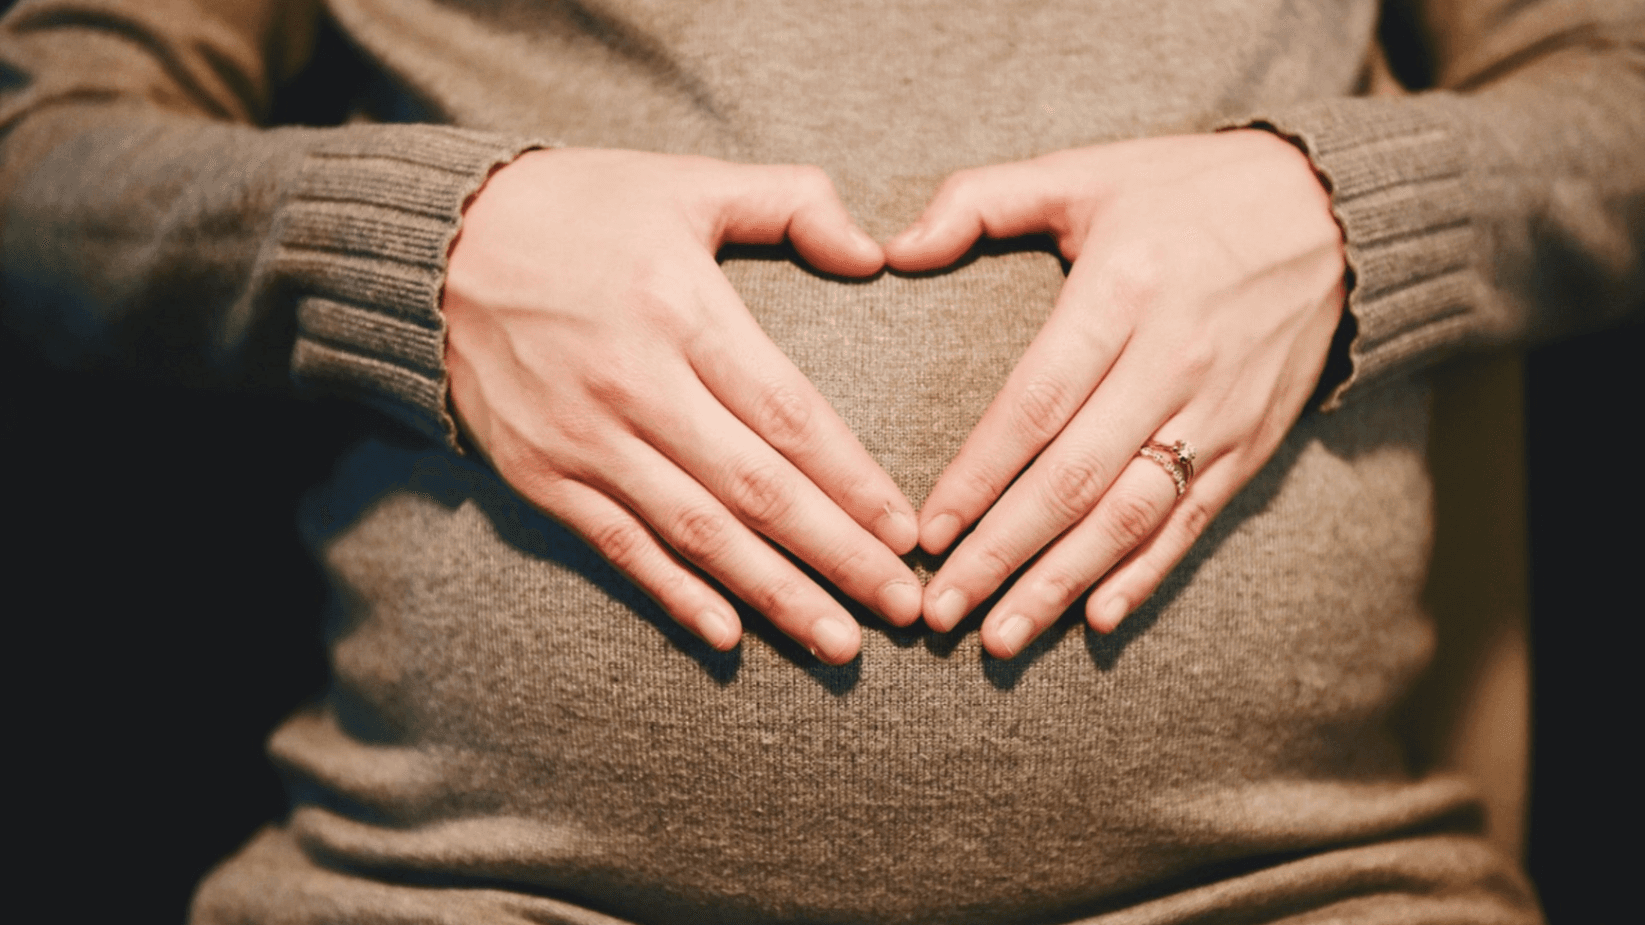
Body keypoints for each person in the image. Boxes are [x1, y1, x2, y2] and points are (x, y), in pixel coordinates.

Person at [1, 0, 1638, 922]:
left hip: (1297, 892)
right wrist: (412, 248)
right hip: (449, 894)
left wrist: (1349, 212)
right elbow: (44, 150)